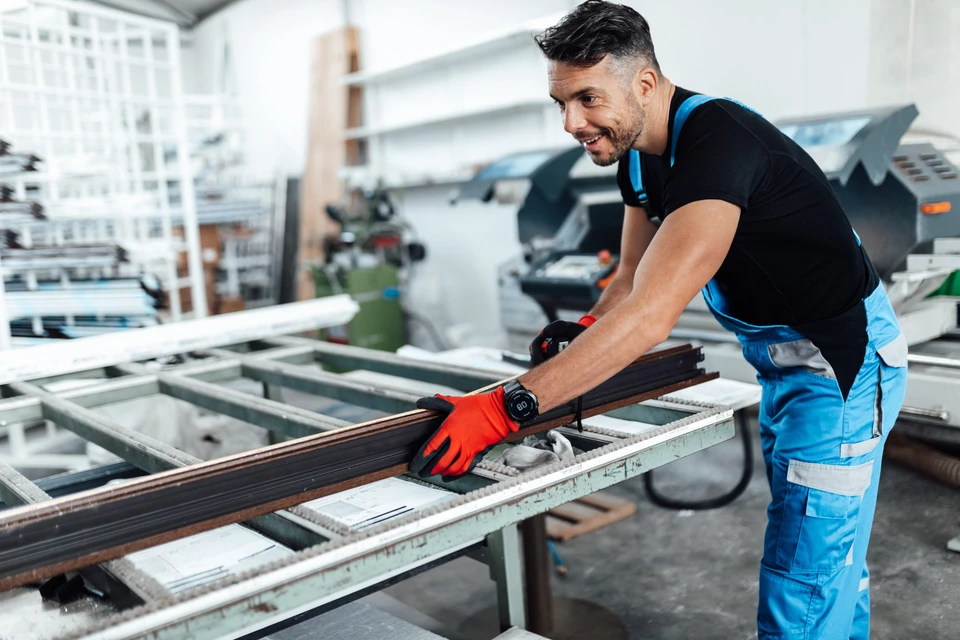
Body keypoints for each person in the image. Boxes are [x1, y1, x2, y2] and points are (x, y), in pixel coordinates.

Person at [409, 1, 908, 637]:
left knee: (804, 578)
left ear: (644, 82)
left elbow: (650, 316)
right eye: (561, 102)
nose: (571, 122)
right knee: (829, 558)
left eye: (587, 99)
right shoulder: (639, 156)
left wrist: (504, 410)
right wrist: (586, 334)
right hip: (786, 364)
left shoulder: (719, 144)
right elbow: (628, 280)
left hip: (841, 368)